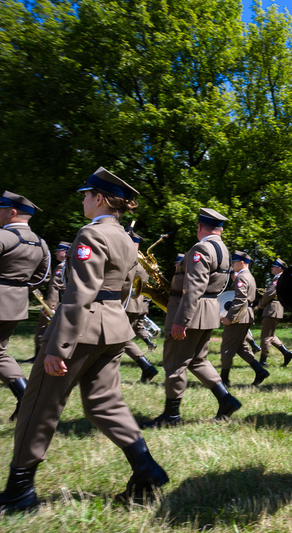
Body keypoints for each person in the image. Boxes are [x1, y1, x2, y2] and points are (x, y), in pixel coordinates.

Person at [0, 169, 167, 513]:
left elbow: (78, 295)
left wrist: (58, 347)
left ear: (100, 199)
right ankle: (145, 466)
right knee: (105, 403)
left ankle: (19, 492)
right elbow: (122, 289)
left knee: (39, 408)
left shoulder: (91, 234)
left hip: (82, 329)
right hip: (114, 328)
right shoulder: (124, 236)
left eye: (87, 194)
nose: (83, 199)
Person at [141, 208, 241, 428]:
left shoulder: (201, 248)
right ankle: (226, 400)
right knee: (197, 360)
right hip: (207, 312)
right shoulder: (223, 249)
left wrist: (181, 320)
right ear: (219, 228)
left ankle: (171, 416)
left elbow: (194, 287)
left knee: (175, 363)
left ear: (199, 227)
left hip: (190, 312)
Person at [0, 191, 50, 422]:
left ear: (11, 212)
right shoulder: (41, 244)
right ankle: (27, 400)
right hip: (16, 305)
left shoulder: (3, 237)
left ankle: (28, 400)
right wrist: (17, 292)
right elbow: (41, 278)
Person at [219, 250, 269, 386]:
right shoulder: (248, 276)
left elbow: (240, 299)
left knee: (227, 347)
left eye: (234, 262)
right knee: (241, 347)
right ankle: (260, 371)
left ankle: (224, 379)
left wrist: (229, 317)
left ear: (241, 263)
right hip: (245, 316)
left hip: (239, 317)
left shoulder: (241, 277)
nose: (232, 265)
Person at [121, 231, 159, 383]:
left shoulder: (130, 258)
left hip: (127, 303)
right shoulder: (143, 261)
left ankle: (146, 367)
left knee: (121, 338)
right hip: (138, 304)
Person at [32, 241, 70, 360]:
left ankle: (39, 356)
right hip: (66, 303)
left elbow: (56, 288)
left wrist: (50, 306)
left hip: (57, 304)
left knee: (42, 329)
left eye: (59, 251)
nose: (56, 253)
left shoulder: (61, 266)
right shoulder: (72, 265)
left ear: (66, 252)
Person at [256, 258, 292, 367]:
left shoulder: (278, 278)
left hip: (271, 309)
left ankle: (263, 360)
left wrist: (262, 303)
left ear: (279, 268)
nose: (271, 268)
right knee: (270, 335)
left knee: (265, 336)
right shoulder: (281, 278)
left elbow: (270, 293)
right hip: (276, 309)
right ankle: (286, 353)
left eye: (274, 266)